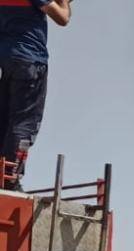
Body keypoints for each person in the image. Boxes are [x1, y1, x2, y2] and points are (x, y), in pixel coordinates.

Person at [0, 0, 71, 191]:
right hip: (29, 60)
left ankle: (3, 174)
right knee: (23, 123)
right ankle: (9, 179)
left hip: (5, 58)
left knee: (5, 120)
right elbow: (62, 18)